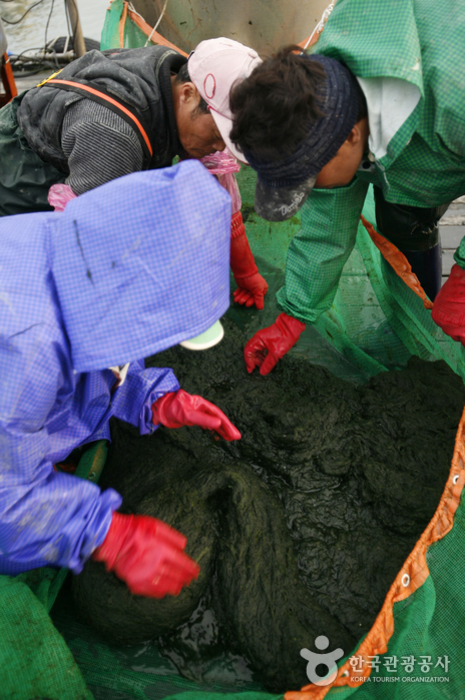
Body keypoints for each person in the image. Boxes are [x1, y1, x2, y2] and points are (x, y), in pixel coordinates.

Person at [0, 158, 241, 598]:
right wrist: (107, 535)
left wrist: (156, 400)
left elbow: (106, 353)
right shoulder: (27, 345)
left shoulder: (87, 257)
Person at [224, 0, 465, 374]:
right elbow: (327, 226)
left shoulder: (455, 92)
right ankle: (421, 324)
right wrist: (293, 318)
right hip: (411, 163)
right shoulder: (321, 96)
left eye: (309, 180)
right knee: (403, 223)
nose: (308, 193)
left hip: (444, 108)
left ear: (351, 136)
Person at [0, 37, 268, 309]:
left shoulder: (173, 74)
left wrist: (246, 272)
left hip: (77, 142)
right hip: (19, 171)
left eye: (228, 139)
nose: (219, 147)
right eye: (216, 134)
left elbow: (221, 185)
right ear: (188, 93)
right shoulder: (113, 138)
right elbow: (82, 251)